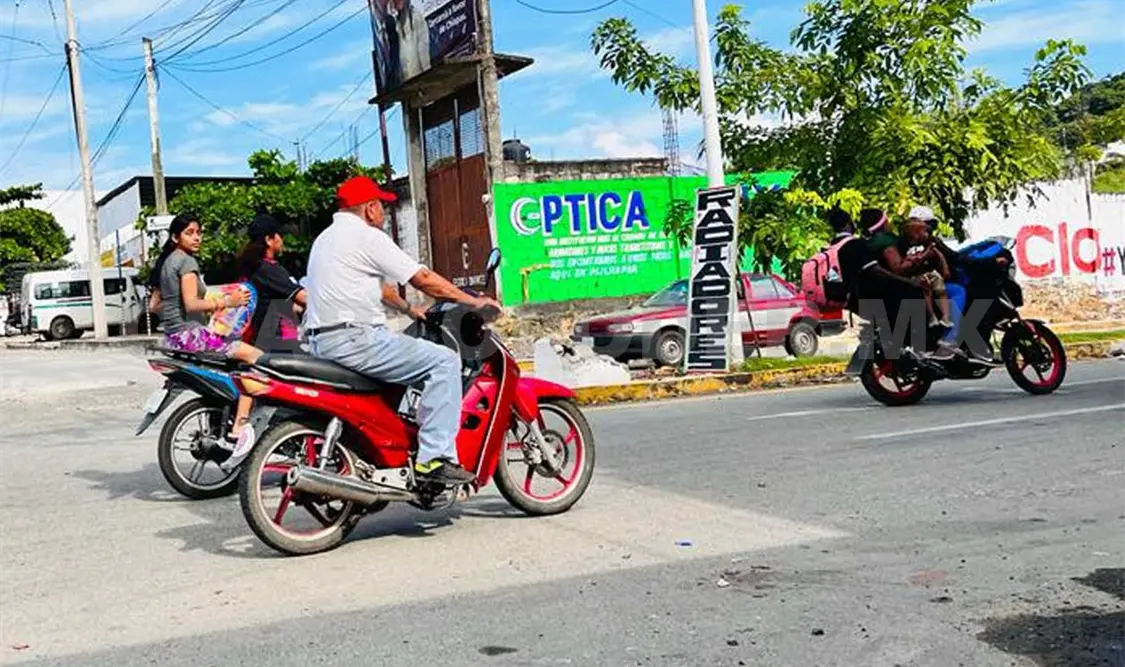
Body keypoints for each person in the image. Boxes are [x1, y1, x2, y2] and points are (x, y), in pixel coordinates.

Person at [303, 176, 500, 486]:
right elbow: (421, 278)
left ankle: (390, 454)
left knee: (402, 367)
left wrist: (411, 311)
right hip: (356, 339)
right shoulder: (366, 237)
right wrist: (472, 302)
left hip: (322, 341)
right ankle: (434, 458)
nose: (383, 212)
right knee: (443, 362)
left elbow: (378, 288)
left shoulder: (325, 240)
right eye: (381, 205)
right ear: (369, 209)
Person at [148, 213, 262, 440]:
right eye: (189, 233)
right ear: (175, 237)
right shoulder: (186, 262)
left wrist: (195, 312)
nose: (197, 238)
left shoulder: (167, 263)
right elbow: (191, 304)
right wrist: (226, 302)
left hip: (174, 337)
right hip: (192, 337)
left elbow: (156, 306)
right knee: (258, 360)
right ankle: (240, 424)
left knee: (235, 361)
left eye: (199, 233)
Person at [237, 213, 306, 352]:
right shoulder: (269, 270)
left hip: (259, 338)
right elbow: (304, 298)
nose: (282, 240)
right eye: (279, 235)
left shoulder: (251, 267)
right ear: (269, 239)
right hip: (277, 341)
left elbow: (276, 303)